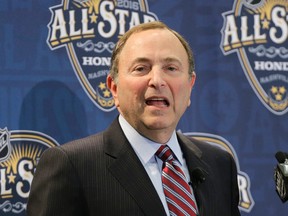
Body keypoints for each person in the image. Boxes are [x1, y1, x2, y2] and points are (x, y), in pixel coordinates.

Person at [26, 21, 240, 216]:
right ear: (114, 88)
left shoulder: (220, 164)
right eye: (141, 68)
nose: (157, 80)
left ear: (190, 86)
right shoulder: (73, 166)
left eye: (171, 68)